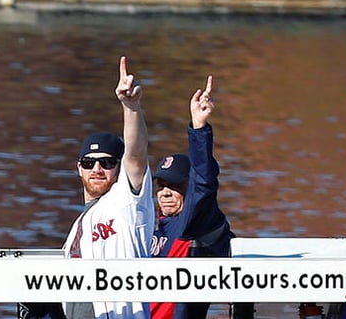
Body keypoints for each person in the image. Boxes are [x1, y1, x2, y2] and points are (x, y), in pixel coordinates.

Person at [64, 56, 154, 319]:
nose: (97, 170)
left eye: (107, 163)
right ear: (78, 167)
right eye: (89, 163)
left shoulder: (126, 200)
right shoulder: (77, 227)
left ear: (119, 167)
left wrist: (131, 107)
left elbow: (137, 156)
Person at [150, 75, 234, 319]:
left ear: (188, 188)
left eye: (174, 186)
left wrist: (199, 128)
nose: (165, 193)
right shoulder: (149, 226)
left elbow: (204, 183)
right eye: (161, 186)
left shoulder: (193, 223)